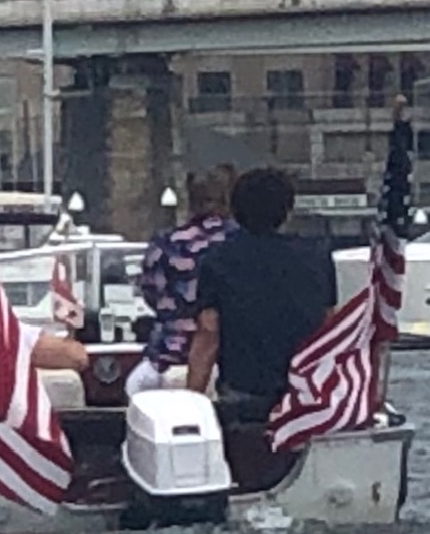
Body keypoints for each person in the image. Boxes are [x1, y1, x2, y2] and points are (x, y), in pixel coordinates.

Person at [185, 167, 334, 417]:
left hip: (243, 393)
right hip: (304, 393)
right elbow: (328, 327)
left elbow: (209, 332)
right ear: (286, 211)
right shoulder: (316, 257)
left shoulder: (218, 260)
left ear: (235, 209)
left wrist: (192, 403)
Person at [129, 167, 238, 397]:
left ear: (191, 200)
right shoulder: (241, 244)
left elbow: (152, 294)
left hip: (169, 356)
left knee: (135, 389)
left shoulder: (167, 243)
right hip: (233, 360)